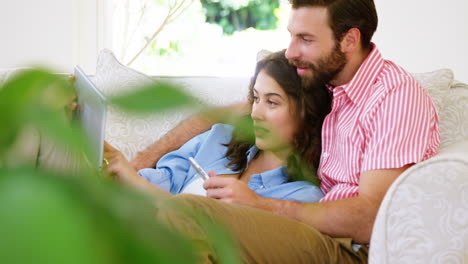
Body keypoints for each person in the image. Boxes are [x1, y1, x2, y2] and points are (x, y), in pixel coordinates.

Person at [125, 0, 440, 262]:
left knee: (191, 213)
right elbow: (226, 113)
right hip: (310, 229)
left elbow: (371, 217)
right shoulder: (325, 82)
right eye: (291, 36)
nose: (290, 52)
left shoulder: (394, 96)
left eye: (306, 39)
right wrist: (141, 160)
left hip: (350, 249)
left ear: (349, 40)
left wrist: (261, 206)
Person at [104, 50, 330, 204]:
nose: (256, 113)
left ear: (306, 113)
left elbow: (206, 231)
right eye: (256, 98)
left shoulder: (302, 196)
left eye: (272, 102)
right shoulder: (219, 139)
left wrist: (130, 179)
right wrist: (121, 175)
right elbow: (165, 179)